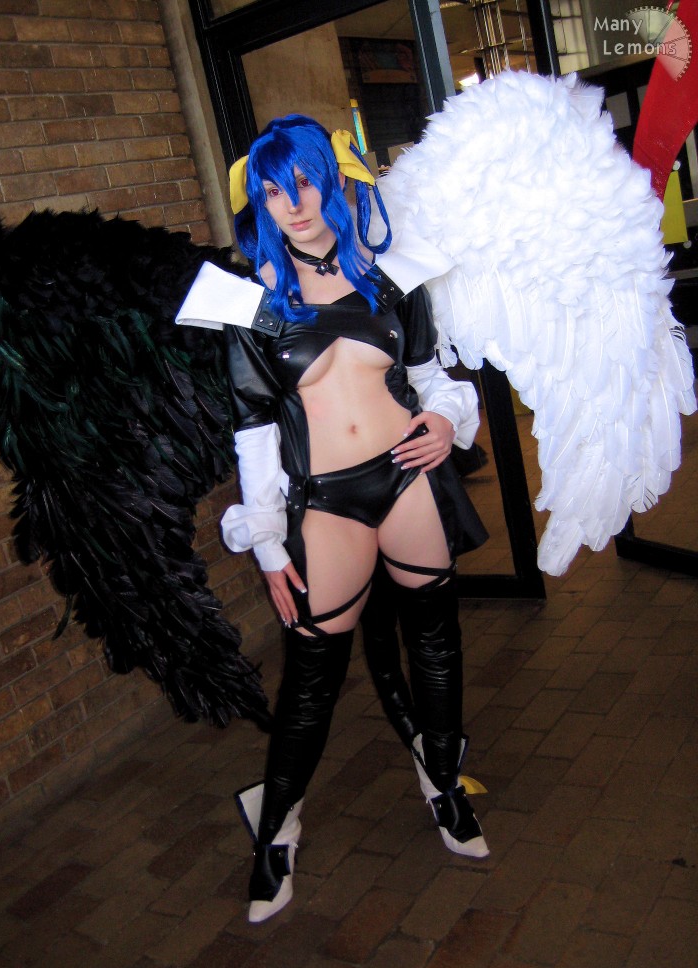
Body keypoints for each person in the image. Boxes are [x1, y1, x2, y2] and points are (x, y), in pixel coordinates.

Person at [177, 114, 490, 923]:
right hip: (327, 501)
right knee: (313, 676)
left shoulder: (393, 282)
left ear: (333, 181)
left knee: (437, 646)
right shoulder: (252, 307)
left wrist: (446, 420)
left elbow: (432, 376)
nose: (293, 204)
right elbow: (254, 437)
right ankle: (277, 827)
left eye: (304, 182)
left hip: (406, 478)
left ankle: (443, 781)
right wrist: (268, 549)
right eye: (273, 192)